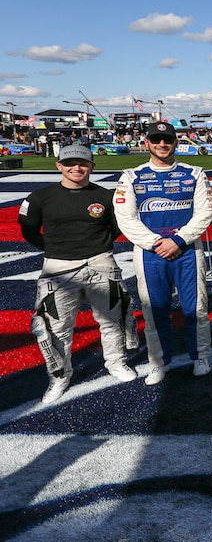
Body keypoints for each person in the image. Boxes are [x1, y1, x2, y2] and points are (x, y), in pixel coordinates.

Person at [20, 144, 136, 403]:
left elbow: (116, 228)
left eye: (83, 164)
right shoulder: (40, 197)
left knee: (113, 319)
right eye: (70, 163)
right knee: (55, 327)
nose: (77, 168)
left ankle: (116, 363)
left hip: (100, 263)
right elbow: (28, 230)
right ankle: (59, 377)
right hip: (57, 268)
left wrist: (97, 247)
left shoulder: (106, 196)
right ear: (58, 165)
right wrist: (52, 249)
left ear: (92, 167)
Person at [114, 121, 212, 384]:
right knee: (154, 310)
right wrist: (157, 243)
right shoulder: (131, 176)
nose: (162, 144)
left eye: (167, 140)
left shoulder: (195, 173)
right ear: (147, 143)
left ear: (175, 143)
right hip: (150, 254)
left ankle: (200, 355)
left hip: (188, 250)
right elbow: (125, 218)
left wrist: (179, 240)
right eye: (156, 140)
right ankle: (159, 362)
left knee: (197, 307)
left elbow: (205, 212)